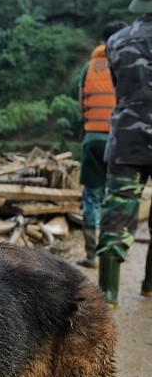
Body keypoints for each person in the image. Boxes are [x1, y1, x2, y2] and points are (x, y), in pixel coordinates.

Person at [97, 0, 152, 307]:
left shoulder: (115, 42)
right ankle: (148, 286)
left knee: (117, 216)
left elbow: (120, 90)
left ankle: (108, 295)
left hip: (126, 142)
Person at [76, 20, 127, 267]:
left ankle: (90, 255)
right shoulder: (125, 63)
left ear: (100, 43)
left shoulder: (89, 67)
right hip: (118, 140)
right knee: (112, 198)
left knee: (92, 196)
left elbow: (81, 103)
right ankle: (112, 257)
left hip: (92, 138)